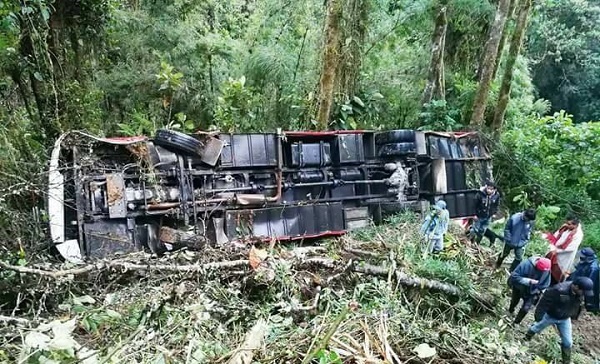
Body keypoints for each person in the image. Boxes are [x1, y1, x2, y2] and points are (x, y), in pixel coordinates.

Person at [526, 277, 594, 364]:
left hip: (565, 319)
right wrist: (538, 316)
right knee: (536, 328)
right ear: (576, 287)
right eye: (583, 291)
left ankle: (566, 361)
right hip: (550, 316)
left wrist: (574, 316)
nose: (584, 294)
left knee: (568, 342)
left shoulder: (580, 294)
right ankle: (526, 338)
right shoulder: (559, 290)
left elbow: (578, 306)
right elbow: (544, 302)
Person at [507, 257, 551, 324]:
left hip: (533, 291)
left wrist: (540, 290)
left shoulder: (546, 269)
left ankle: (516, 322)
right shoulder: (526, 264)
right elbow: (514, 276)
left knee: (525, 309)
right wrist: (529, 281)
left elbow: (546, 283)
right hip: (519, 287)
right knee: (514, 301)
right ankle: (511, 310)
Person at [543, 216, 584, 284]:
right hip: (555, 249)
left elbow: (571, 248)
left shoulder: (578, 235)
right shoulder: (565, 227)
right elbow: (556, 235)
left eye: (569, 224)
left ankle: (553, 283)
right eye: (567, 223)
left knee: (557, 271)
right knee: (548, 266)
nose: (566, 225)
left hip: (564, 255)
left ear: (575, 225)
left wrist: (557, 250)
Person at [469, 180, 501, 246]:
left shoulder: (496, 196)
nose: (489, 190)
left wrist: (494, 213)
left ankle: (477, 243)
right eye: (488, 188)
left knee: (482, 230)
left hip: (488, 217)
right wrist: (474, 214)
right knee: (475, 229)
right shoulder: (480, 194)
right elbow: (474, 205)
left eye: (491, 189)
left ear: (494, 190)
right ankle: (471, 242)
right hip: (479, 216)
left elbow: (496, 205)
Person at [567, 248, 600, 312]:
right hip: (577, 280)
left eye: (582, 257)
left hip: (581, 285)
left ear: (588, 258)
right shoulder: (584, 261)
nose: (580, 258)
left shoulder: (593, 268)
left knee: (577, 299)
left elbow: (589, 282)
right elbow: (579, 269)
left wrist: (580, 288)